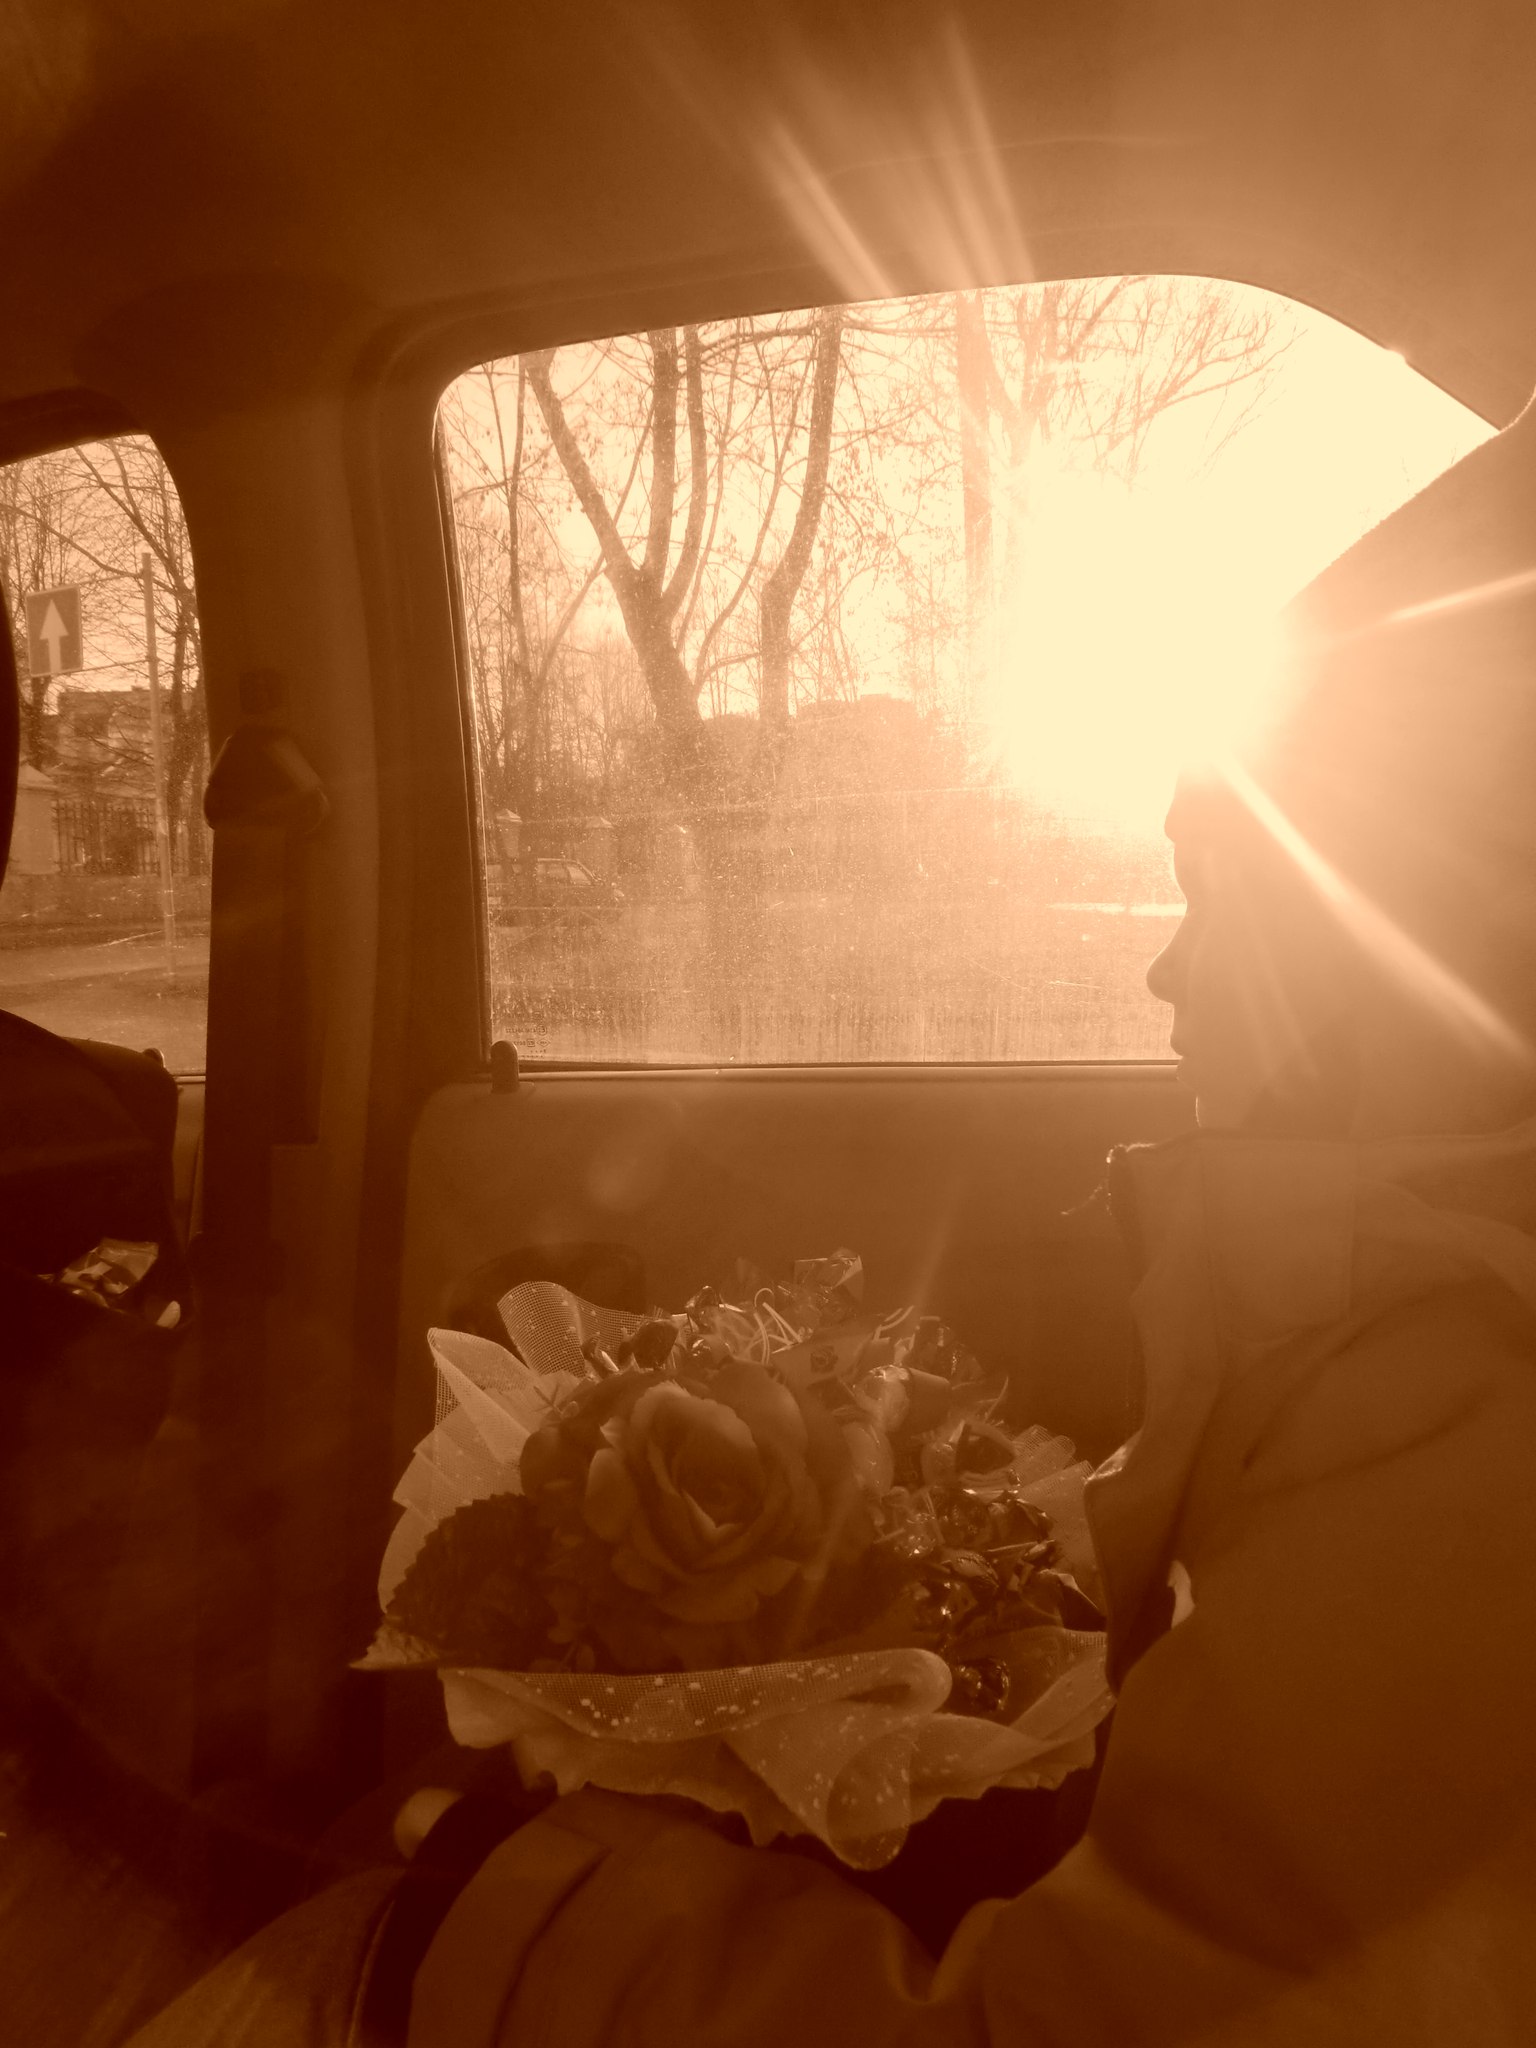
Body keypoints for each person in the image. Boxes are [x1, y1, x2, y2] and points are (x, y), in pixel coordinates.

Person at [130, 402, 1536, 2047]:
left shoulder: (1454, 1410)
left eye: (1225, 901)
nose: (1166, 971)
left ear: (1425, 935)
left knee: (296, 1958)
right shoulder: (1392, 1338)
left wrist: (486, 1915)